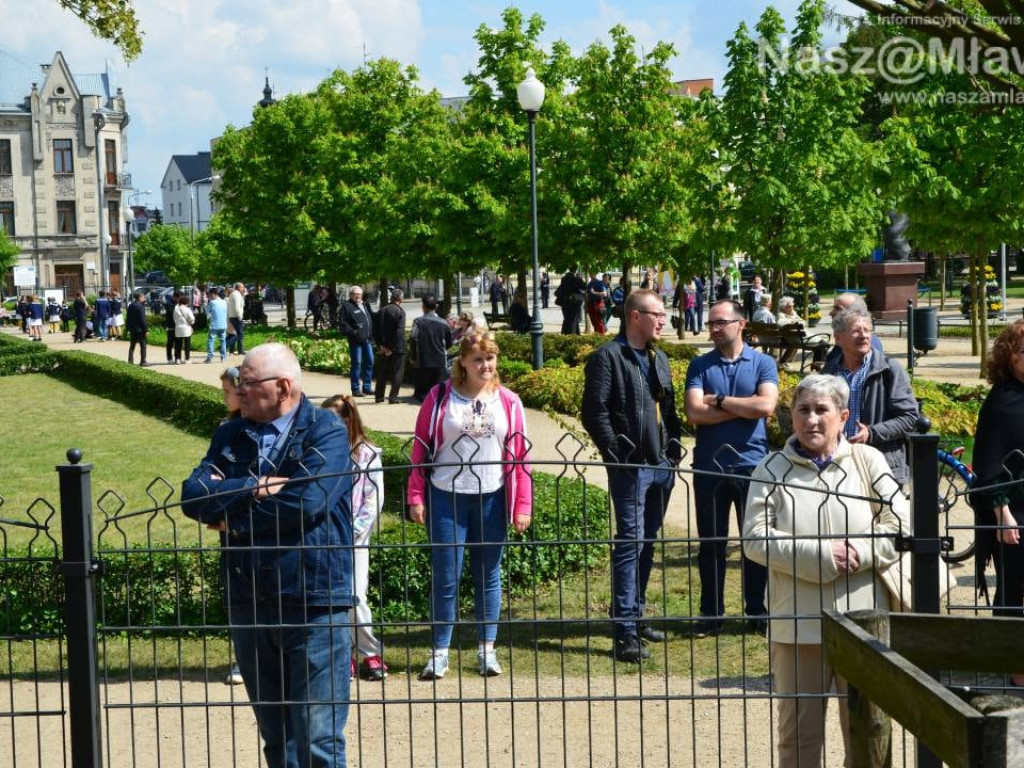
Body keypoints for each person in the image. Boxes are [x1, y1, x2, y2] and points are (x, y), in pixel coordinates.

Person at [181, 343, 354, 768]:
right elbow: (193, 496)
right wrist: (255, 488)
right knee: (277, 741)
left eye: (248, 383)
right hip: (249, 599)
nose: (238, 392)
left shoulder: (325, 432)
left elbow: (307, 503)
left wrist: (236, 521)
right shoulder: (230, 434)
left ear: (282, 387)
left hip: (314, 601)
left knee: (318, 742)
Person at [743, 374, 908, 767]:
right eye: (803, 410)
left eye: (822, 410)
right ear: (791, 417)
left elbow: (900, 527)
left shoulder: (869, 461)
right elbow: (753, 538)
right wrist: (822, 557)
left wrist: (857, 550)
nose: (811, 420)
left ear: (844, 416)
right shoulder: (771, 469)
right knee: (798, 739)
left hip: (865, 625)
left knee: (870, 734)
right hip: (798, 625)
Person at [408, 331, 532, 679]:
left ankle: (486, 650)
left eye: (490, 358)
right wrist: (415, 495)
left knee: (488, 575)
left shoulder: (509, 401)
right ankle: (439, 652)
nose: (485, 365)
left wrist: (523, 503)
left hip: (492, 496)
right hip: (446, 494)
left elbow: (521, 457)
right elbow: (420, 449)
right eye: (478, 359)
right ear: (462, 361)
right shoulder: (440, 397)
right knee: (447, 576)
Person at [581, 289, 683, 662]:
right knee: (630, 542)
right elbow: (594, 412)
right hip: (631, 468)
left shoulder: (660, 358)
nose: (663, 320)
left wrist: (673, 444)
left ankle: (636, 613)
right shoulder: (607, 357)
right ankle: (624, 628)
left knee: (647, 541)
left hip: (660, 468)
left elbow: (667, 409)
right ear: (635, 316)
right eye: (657, 314)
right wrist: (615, 451)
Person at [684, 299, 779, 636]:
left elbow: (767, 404)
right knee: (711, 543)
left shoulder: (763, 363)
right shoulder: (699, 365)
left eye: (720, 322)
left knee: (755, 542)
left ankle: (758, 612)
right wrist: (745, 408)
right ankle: (711, 613)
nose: (714, 328)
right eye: (711, 323)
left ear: (741, 324)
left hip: (752, 465)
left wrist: (720, 402)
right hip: (709, 467)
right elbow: (695, 413)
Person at [971, 321, 1024, 685]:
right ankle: (1015, 671)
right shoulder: (1002, 399)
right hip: (1015, 512)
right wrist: (1001, 512)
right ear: (1010, 358)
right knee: (1014, 590)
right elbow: (988, 463)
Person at [322, 395, 388, 682]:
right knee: (330, 600)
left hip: (354, 538)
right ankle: (342, 655)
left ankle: (369, 652)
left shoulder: (368, 454)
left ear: (350, 419)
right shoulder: (321, 454)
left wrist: (351, 531)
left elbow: (373, 501)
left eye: (337, 418)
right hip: (325, 538)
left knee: (356, 595)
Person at [823, 307, 918, 485]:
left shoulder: (889, 370)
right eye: (856, 330)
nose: (864, 335)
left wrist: (871, 433)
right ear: (838, 338)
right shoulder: (830, 372)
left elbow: (909, 417)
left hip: (881, 468)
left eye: (867, 330)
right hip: (835, 466)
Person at [410, 294, 452, 402]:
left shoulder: (418, 322)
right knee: (439, 392)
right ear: (436, 306)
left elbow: (413, 338)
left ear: (423, 306)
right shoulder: (444, 323)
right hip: (439, 360)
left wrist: (413, 356)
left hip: (422, 361)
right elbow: (449, 342)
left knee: (423, 393)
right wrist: (443, 349)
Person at [337, 286, 375, 397]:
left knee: (370, 362)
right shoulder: (346, 306)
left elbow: (371, 318)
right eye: (355, 294)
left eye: (359, 294)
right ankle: (356, 389)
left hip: (367, 340)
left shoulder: (365, 304)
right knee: (357, 364)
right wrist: (353, 332)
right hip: (355, 341)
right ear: (351, 295)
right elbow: (342, 324)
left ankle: (367, 387)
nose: (358, 296)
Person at [373, 288, 406, 404]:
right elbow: (399, 332)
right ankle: (393, 397)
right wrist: (392, 348)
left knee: (382, 372)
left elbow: (375, 330)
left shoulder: (382, 310)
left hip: (384, 347)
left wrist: (381, 345)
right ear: (400, 299)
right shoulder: (400, 312)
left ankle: (379, 396)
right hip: (397, 348)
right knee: (397, 373)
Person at [555, 266, 586, 335]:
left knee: (566, 319)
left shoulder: (563, 278)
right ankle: (573, 334)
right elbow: (584, 286)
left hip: (564, 302)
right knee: (574, 319)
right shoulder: (576, 279)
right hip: (573, 302)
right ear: (576, 270)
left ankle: (565, 333)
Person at [205, 288, 229, 364]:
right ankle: (223, 358)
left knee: (211, 340)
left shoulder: (212, 302)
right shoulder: (224, 302)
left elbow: (206, 311)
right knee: (223, 341)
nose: (209, 296)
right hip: (223, 325)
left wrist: (208, 303)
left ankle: (210, 357)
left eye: (210, 294)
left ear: (213, 294)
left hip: (214, 325)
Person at [126, 291, 149, 366]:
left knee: (132, 346)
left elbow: (128, 318)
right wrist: (146, 330)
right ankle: (143, 361)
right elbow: (143, 320)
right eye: (143, 297)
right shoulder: (140, 306)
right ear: (140, 297)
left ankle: (130, 361)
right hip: (140, 330)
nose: (144, 298)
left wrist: (128, 328)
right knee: (143, 345)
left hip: (133, 329)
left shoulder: (131, 305)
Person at [172, 295, 195, 364]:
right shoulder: (187, 309)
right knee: (187, 344)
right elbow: (192, 319)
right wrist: (191, 323)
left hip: (178, 328)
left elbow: (174, 318)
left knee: (178, 345)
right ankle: (187, 359)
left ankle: (177, 359)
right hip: (186, 328)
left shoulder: (175, 309)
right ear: (186, 303)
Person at [227, 283, 246, 355]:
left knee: (233, 334)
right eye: (243, 287)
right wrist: (240, 316)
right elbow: (237, 307)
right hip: (236, 317)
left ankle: (231, 351)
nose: (243, 289)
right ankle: (240, 350)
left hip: (232, 316)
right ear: (239, 288)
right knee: (239, 334)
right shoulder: (237, 295)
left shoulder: (233, 294)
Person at [164, 290, 181, 363]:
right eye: (179, 298)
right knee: (170, 343)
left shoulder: (180, 304)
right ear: (174, 297)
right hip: (171, 326)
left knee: (178, 343)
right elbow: (171, 313)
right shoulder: (169, 303)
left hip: (179, 326)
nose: (179, 300)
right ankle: (169, 358)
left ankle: (178, 358)